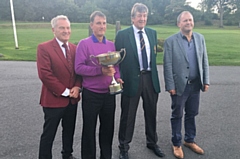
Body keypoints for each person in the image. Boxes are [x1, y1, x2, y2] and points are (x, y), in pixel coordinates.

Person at [115, 3, 165, 159]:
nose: (142, 18)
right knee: (128, 115)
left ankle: (152, 142)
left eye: (144, 15)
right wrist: (118, 77)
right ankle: (123, 146)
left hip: (150, 79)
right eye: (139, 15)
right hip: (131, 80)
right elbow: (117, 59)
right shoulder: (123, 35)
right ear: (132, 18)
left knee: (151, 113)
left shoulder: (152, 33)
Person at [75, 11, 122, 159]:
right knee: (89, 129)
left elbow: (116, 67)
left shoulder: (111, 44)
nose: (102, 26)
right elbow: (79, 68)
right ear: (91, 25)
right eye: (98, 23)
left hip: (109, 94)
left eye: (104, 23)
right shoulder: (84, 44)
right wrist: (100, 70)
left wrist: (118, 77)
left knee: (108, 129)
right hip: (91, 94)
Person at [163, 11, 210, 159]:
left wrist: (206, 80)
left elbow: (204, 61)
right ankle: (176, 143)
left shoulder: (200, 38)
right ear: (179, 24)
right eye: (185, 21)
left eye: (190, 20)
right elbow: (167, 66)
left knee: (192, 113)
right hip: (179, 86)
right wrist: (170, 85)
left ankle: (189, 140)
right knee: (177, 115)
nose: (188, 22)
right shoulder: (171, 41)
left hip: (196, 85)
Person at [36, 15, 81, 159]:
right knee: (49, 134)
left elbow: (79, 71)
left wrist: (77, 87)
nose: (66, 31)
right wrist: (66, 91)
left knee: (69, 131)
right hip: (53, 100)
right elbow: (45, 74)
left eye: (68, 28)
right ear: (53, 30)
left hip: (72, 100)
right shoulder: (44, 48)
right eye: (62, 28)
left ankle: (67, 155)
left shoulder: (75, 48)